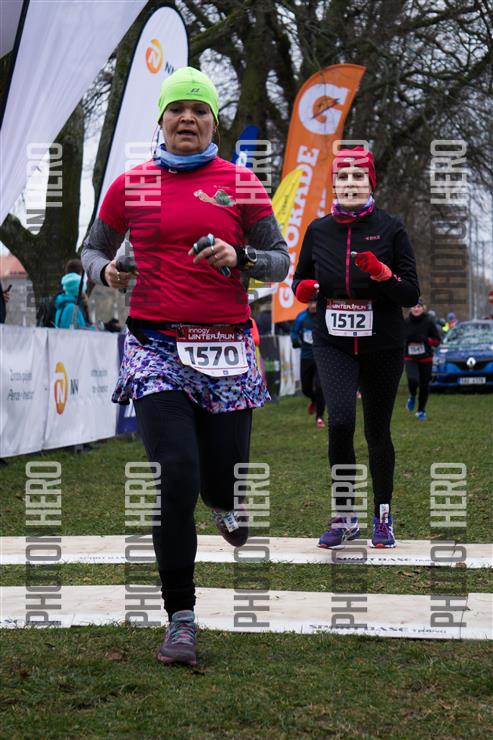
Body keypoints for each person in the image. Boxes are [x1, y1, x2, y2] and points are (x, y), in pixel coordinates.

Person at [82, 66, 289, 666]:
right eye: (178, 110)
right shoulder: (132, 185)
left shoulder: (240, 184)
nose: (188, 119)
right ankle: (181, 618)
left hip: (226, 348)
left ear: (213, 125)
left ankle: (224, 500)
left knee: (219, 479)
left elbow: (280, 260)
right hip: (156, 348)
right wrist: (107, 271)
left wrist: (241, 256)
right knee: (175, 473)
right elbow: (92, 249)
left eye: (200, 111)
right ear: (162, 120)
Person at [292, 145, 419, 550]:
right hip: (334, 342)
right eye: (343, 177)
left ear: (370, 182)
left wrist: (383, 275)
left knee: (376, 430)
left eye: (358, 177)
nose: (350, 184)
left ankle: (383, 515)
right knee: (341, 422)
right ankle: (345, 516)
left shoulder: (391, 227)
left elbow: (410, 293)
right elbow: (300, 280)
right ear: (334, 184)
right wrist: (304, 290)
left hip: (382, 342)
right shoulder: (318, 230)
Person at [291, 299, 326, 427]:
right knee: (306, 389)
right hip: (306, 357)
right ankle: (314, 400)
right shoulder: (301, 317)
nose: (313, 305)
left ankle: (320, 417)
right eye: (310, 303)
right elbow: (294, 332)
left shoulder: (323, 315)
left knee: (320, 387)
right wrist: (295, 340)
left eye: (315, 303)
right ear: (307, 304)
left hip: (321, 357)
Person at [404, 299, 441, 420]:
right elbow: (400, 339)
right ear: (410, 308)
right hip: (410, 357)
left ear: (423, 308)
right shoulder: (406, 322)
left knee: (424, 386)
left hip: (426, 358)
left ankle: (421, 411)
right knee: (413, 380)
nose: (416, 309)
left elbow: (437, 341)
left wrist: (426, 340)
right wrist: (408, 340)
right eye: (414, 306)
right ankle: (412, 395)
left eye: (419, 306)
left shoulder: (429, 322)